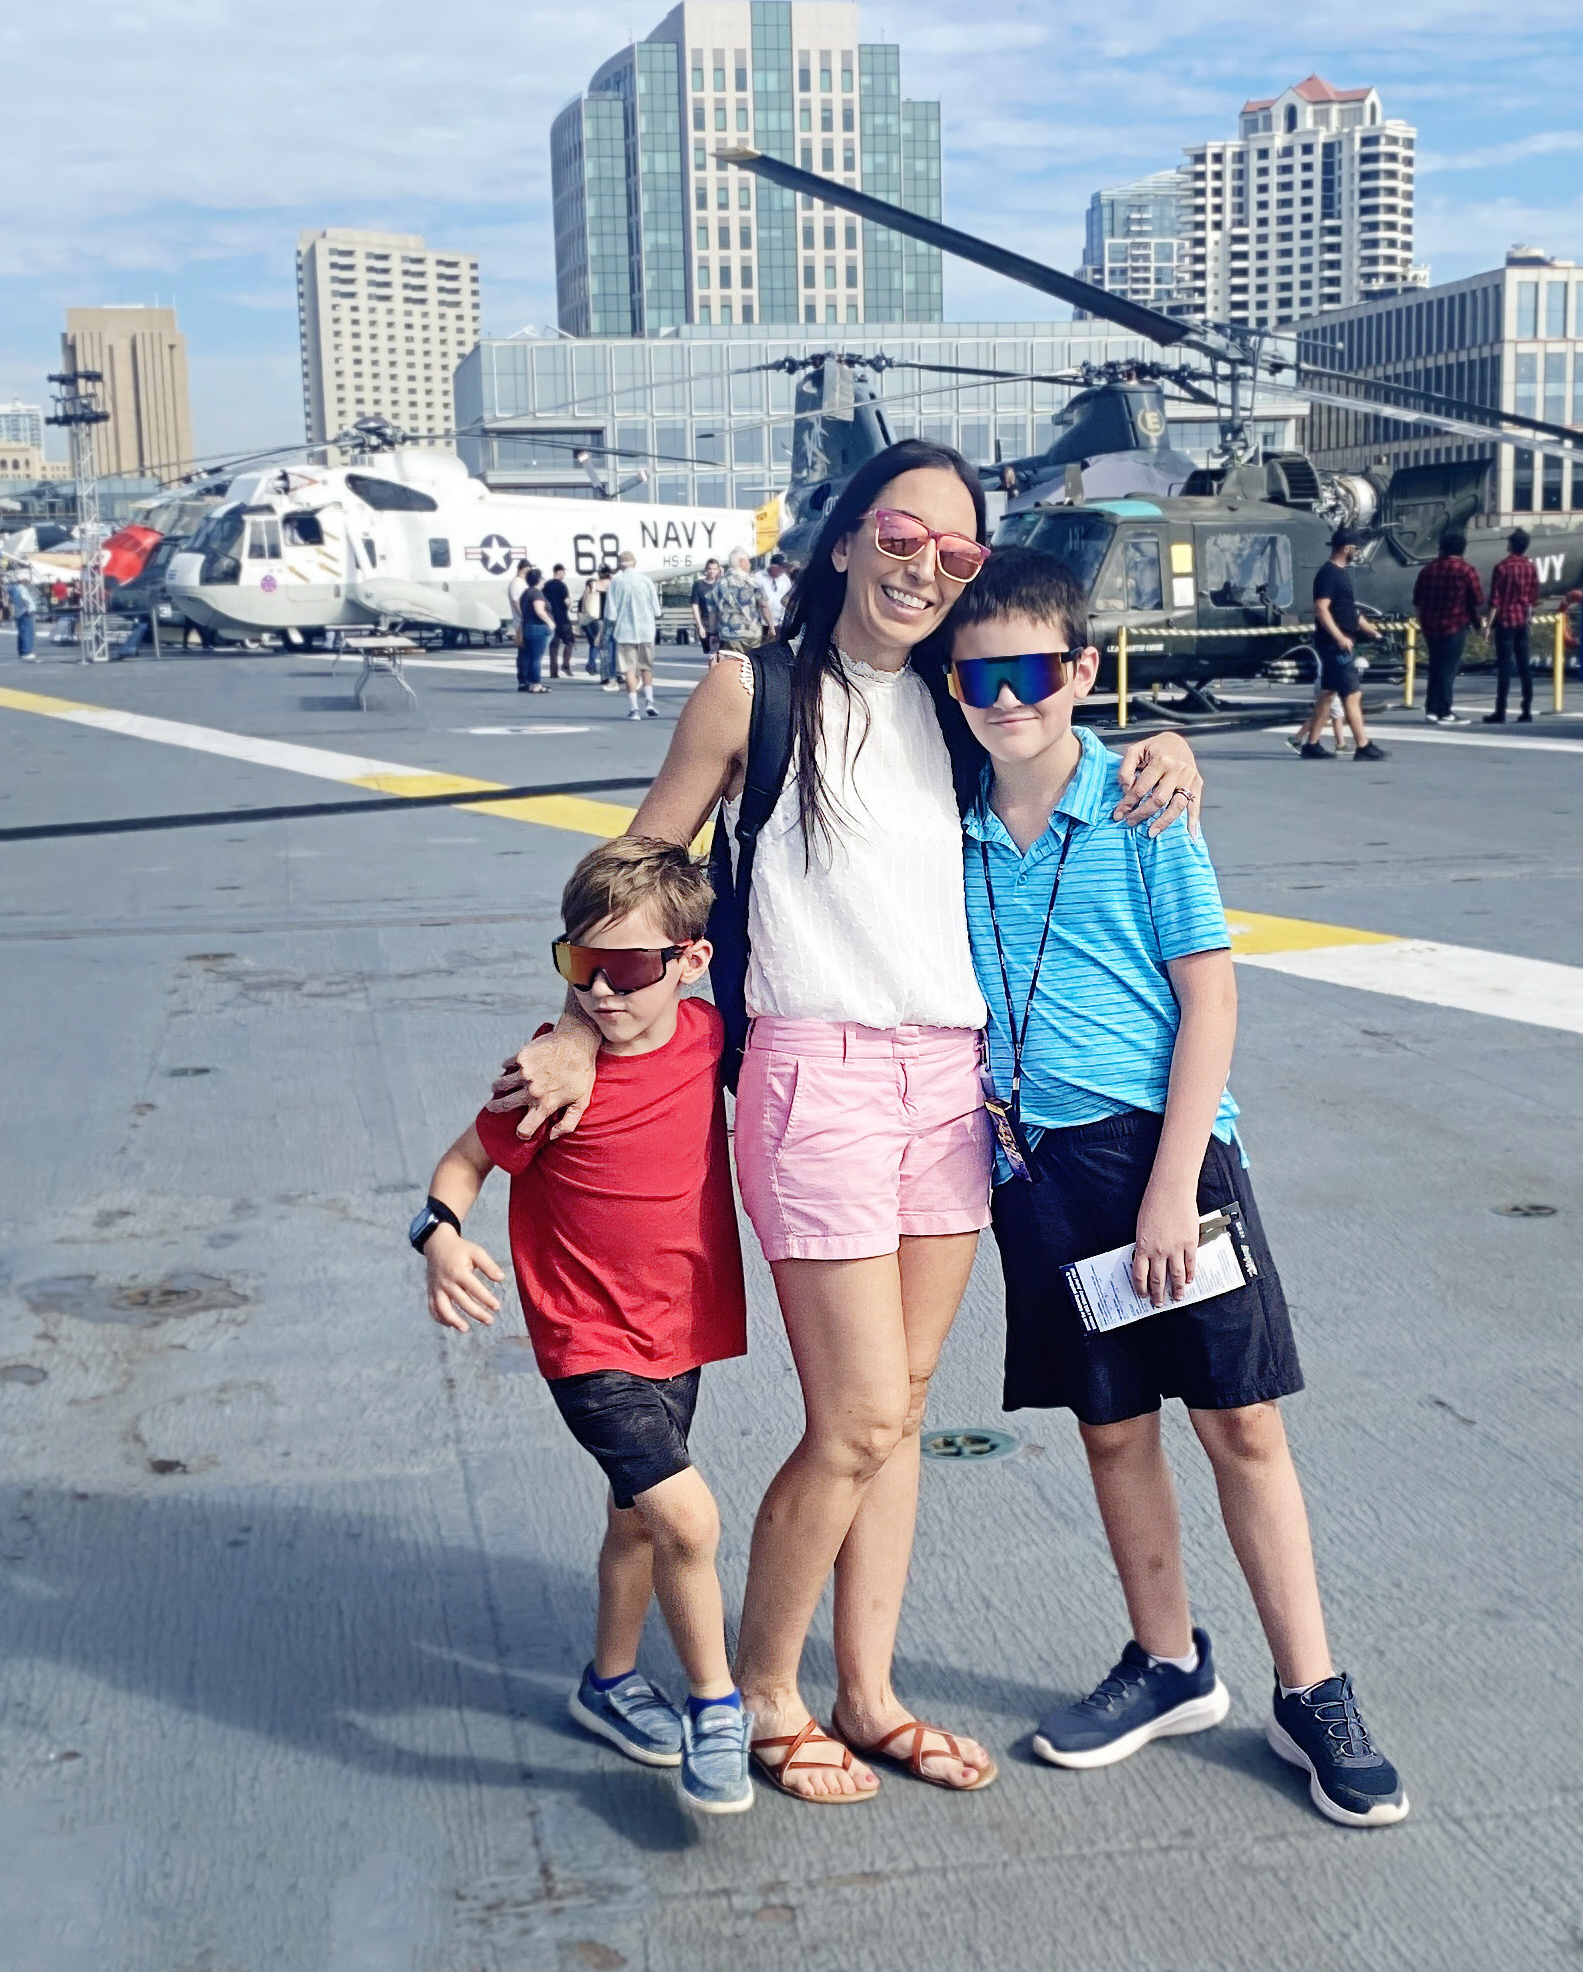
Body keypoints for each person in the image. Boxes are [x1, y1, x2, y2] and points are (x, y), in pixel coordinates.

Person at [493, 439, 1205, 1805]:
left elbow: (1052, 731)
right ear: (838, 541)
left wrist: (1155, 748)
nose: (924, 565)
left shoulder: (950, 705)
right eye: (900, 532)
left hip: (951, 1080)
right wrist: (584, 1024)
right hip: (813, 1073)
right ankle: (763, 1691)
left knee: (906, 1413)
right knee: (858, 1412)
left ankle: (868, 1692)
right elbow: (640, 869)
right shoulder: (750, 691)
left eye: (957, 553)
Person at [943, 545, 1410, 1828]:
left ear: (1082, 670)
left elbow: (1211, 995)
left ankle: (1311, 1688)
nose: (1006, 698)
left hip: (1169, 1151)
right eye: (978, 676)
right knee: (1110, 1426)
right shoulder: (954, 821)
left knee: (1241, 1420)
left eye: (1035, 671)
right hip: (1035, 1166)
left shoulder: (1145, 807)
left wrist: (1167, 1189)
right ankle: (1167, 1658)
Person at [414, 837, 755, 1816]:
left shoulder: (705, 1034)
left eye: (630, 968)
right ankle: (716, 1707)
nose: (603, 992)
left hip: (678, 1324)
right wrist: (438, 1235)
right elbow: (459, 1166)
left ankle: (607, 1682)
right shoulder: (551, 1077)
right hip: (586, 1339)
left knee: (636, 1521)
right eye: (580, 965)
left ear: (690, 961)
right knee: (688, 1516)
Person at [1291, 531, 1386, 763]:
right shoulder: (1329, 574)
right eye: (1356, 547)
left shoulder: (1341, 575)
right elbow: (1322, 609)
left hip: (1338, 642)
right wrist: (1339, 637)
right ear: (1346, 548)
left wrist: (1369, 630)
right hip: (1335, 646)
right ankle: (1363, 746)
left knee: (1328, 694)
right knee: (1353, 693)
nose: (1358, 551)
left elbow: (1349, 610)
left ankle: (1312, 744)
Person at [1412, 531, 1482, 725]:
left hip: (1430, 626)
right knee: (1448, 670)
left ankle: (1431, 709)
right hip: (1455, 625)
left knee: (1435, 667)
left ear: (1441, 548)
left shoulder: (1427, 570)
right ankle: (1444, 711)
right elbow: (1476, 599)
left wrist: (1423, 622)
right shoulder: (1467, 570)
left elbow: (1417, 601)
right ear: (1462, 549)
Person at [1483, 529, 1540, 725]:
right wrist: (1529, 620)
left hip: (1505, 622)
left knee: (1504, 667)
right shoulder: (1531, 568)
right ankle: (1527, 710)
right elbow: (1532, 599)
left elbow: (1495, 600)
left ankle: (1500, 711)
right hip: (1522, 623)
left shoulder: (1501, 567)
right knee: (1525, 667)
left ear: (1511, 545)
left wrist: (1488, 626)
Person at [607, 550, 662, 720]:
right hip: (646, 629)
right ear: (635, 562)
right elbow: (656, 609)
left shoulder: (616, 582)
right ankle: (650, 701)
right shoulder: (646, 580)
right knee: (646, 667)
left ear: (620, 564)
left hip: (625, 631)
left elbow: (611, 612)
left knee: (629, 670)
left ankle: (634, 708)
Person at [514, 564, 550, 693]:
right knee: (536, 658)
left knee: (528, 656)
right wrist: (550, 622)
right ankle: (536, 684)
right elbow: (539, 610)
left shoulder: (526, 592)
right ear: (539, 580)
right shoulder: (536, 593)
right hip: (538, 628)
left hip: (527, 627)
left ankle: (529, 682)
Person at [543, 564, 576, 679]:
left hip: (550, 618)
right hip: (562, 617)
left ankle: (553, 671)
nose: (564, 574)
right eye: (563, 572)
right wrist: (569, 603)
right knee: (569, 642)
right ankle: (565, 665)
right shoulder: (562, 586)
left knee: (553, 645)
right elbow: (567, 602)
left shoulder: (546, 585)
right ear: (558, 571)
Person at [7, 573, 39, 661]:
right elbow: (25, 600)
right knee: (27, 632)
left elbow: (10, 602)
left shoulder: (12, 589)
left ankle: (22, 651)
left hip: (19, 612)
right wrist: (28, 609)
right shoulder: (21, 589)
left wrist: (12, 613)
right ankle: (26, 652)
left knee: (22, 632)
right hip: (25, 612)